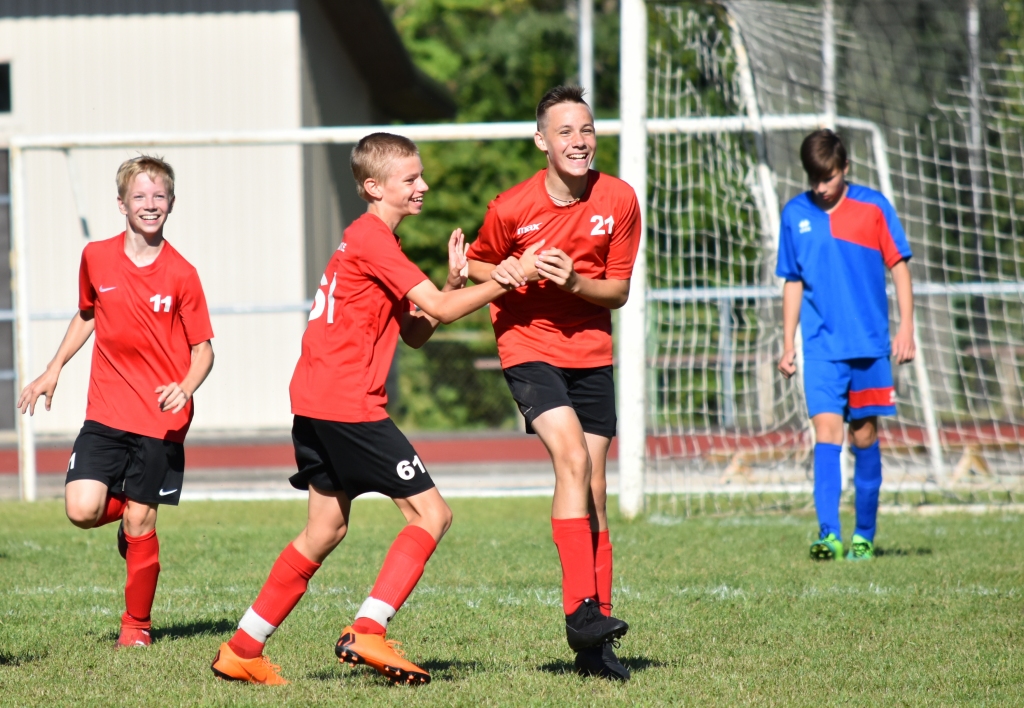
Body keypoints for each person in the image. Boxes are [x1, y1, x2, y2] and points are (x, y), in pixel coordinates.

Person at [211, 132, 539, 686]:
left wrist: (458, 280)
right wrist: (508, 279)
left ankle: (243, 648)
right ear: (373, 186)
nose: (423, 186)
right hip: (346, 405)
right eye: (410, 178)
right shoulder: (373, 239)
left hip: (315, 402)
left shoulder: (367, 242)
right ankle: (370, 629)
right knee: (432, 515)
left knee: (324, 531)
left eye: (420, 176)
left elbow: (415, 330)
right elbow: (437, 308)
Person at [466, 85, 640, 681]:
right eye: (565, 131)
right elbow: (474, 264)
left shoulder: (618, 199)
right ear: (542, 141)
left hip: (591, 353)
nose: (579, 141)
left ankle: (597, 644)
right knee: (570, 460)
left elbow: (616, 292)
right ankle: (579, 614)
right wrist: (504, 269)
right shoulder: (511, 206)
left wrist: (573, 284)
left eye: (586, 130)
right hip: (529, 346)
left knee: (594, 489)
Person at [17, 156, 215, 647]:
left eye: (159, 196)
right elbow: (88, 314)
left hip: (160, 418)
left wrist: (186, 386)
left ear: (172, 203)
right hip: (105, 410)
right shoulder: (96, 257)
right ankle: (132, 516)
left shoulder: (183, 274)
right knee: (81, 509)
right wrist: (54, 367)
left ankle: (136, 628)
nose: (150, 205)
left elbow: (204, 350)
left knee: (141, 519)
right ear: (122, 204)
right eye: (140, 197)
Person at [776, 129, 915, 562]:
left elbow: (899, 266)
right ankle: (829, 534)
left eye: (829, 178)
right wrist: (787, 343)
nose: (820, 187)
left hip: (870, 345)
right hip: (820, 347)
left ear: (845, 169)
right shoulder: (794, 213)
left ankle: (864, 536)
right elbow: (792, 281)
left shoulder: (874, 207)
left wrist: (906, 327)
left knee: (865, 434)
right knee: (827, 433)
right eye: (814, 179)